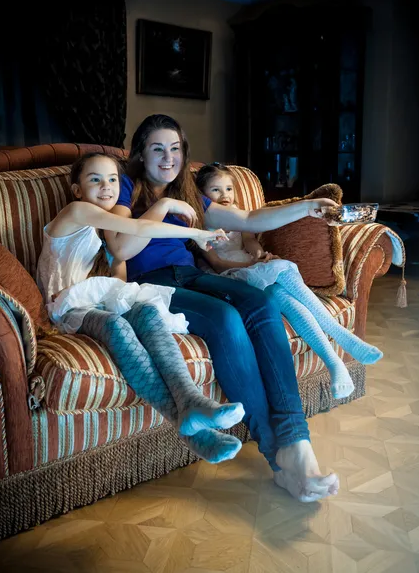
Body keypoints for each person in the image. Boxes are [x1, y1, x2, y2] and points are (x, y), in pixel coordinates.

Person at [105, 114, 341, 502]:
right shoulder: (126, 187)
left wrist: (305, 207)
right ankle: (276, 454)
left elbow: (247, 218)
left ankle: (297, 441)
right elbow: (121, 249)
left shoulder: (189, 195)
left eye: (176, 149)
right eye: (158, 149)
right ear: (140, 153)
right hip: (152, 284)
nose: (169, 157)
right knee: (227, 319)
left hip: (188, 273)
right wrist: (164, 205)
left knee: (261, 303)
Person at [36, 152, 246, 464]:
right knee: (116, 326)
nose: (106, 186)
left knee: (147, 310)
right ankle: (192, 430)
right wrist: (191, 228)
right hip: (65, 307)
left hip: (93, 299)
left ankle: (191, 401)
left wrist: (119, 267)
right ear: (77, 189)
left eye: (111, 180)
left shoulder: (105, 236)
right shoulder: (77, 211)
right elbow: (137, 228)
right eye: (95, 179)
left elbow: (117, 281)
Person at [195, 162, 383, 400]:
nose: (225, 195)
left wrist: (260, 255)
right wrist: (251, 265)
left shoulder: (239, 215)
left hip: (250, 267)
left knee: (281, 291)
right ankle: (340, 339)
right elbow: (217, 264)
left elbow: (251, 243)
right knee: (279, 279)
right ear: (201, 194)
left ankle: (335, 363)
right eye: (216, 190)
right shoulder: (202, 223)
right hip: (228, 275)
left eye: (229, 189)